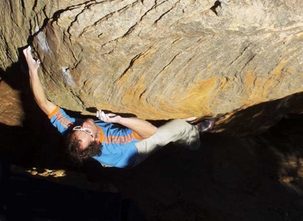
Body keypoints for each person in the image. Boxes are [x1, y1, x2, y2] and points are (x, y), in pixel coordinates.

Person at [22, 45, 215, 168]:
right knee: (177, 127)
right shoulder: (116, 141)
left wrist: (33, 69)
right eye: (88, 133)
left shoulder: (71, 129)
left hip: (107, 156)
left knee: (103, 152)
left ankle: (106, 163)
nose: (85, 126)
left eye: (79, 128)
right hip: (133, 154)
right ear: (97, 141)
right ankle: (194, 138)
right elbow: (149, 131)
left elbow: (43, 103)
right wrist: (120, 119)